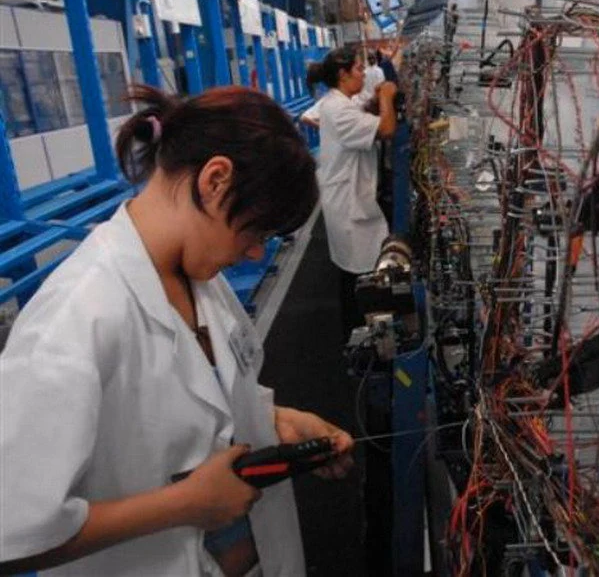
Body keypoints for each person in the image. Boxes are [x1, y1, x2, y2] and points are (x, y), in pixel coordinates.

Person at [0, 85, 355, 577]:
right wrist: (184, 505)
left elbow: (195, 404)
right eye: (255, 232)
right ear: (215, 180)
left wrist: (277, 420)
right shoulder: (75, 316)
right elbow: (11, 533)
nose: (257, 253)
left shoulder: (197, 277)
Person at [304, 46, 398, 339]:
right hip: (348, 204)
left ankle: (358, 335)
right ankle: (359, 339)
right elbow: (386, 129)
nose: (363, 74)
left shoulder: (341, 102)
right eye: (358, 69)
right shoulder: (337, 109)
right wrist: (386, 96)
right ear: (343, 75)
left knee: (356, 273)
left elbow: (364, 112)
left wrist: (375, 101)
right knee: (358, 277)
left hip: (348, 196)